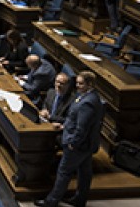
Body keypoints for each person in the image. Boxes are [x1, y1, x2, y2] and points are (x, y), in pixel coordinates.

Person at [36, 71, 105, 207]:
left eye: (81, 83)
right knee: (84, 173)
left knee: (63, 172)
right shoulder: (86, 96)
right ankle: (80, 199)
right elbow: (74, 119)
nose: (77, 86)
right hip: (86, 145)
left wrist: (73, 143)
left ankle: (51, 201)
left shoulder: (88, 102)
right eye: (77, 83)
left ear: (90, 84)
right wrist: (64, 126)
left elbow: (82, 127)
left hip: (78, 145)